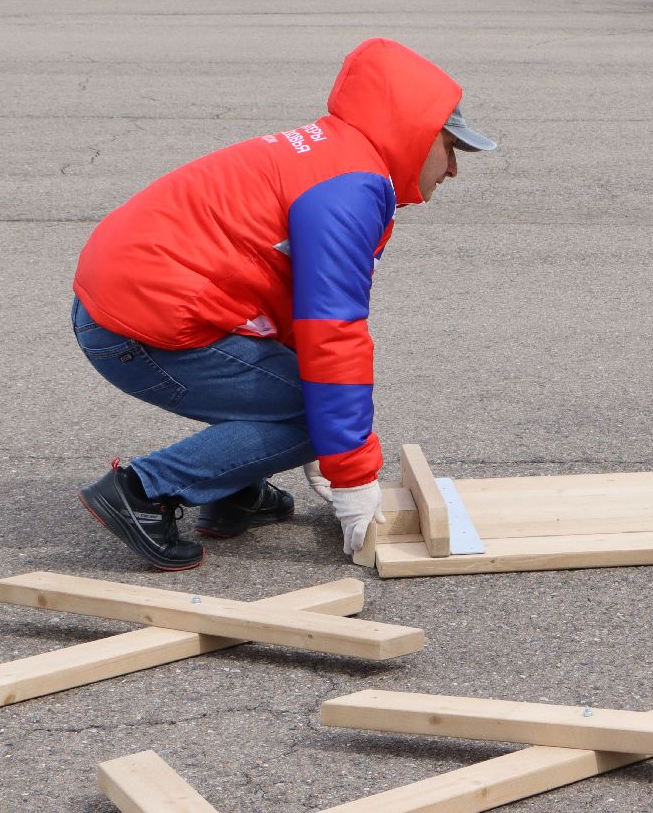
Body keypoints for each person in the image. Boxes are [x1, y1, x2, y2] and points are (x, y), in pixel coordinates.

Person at [71, 39, 495, 570]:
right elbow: (333, 334)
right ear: (416, 134)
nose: (453, 168)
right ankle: (141, 490)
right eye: (451, 147)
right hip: (137, 326)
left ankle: (231, 489)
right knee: (308, 410)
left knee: (302, 398)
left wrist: (328, 450)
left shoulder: (336, 158)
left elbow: (299, 310)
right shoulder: (349, 190)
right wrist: (352, 476)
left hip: (135, 302)